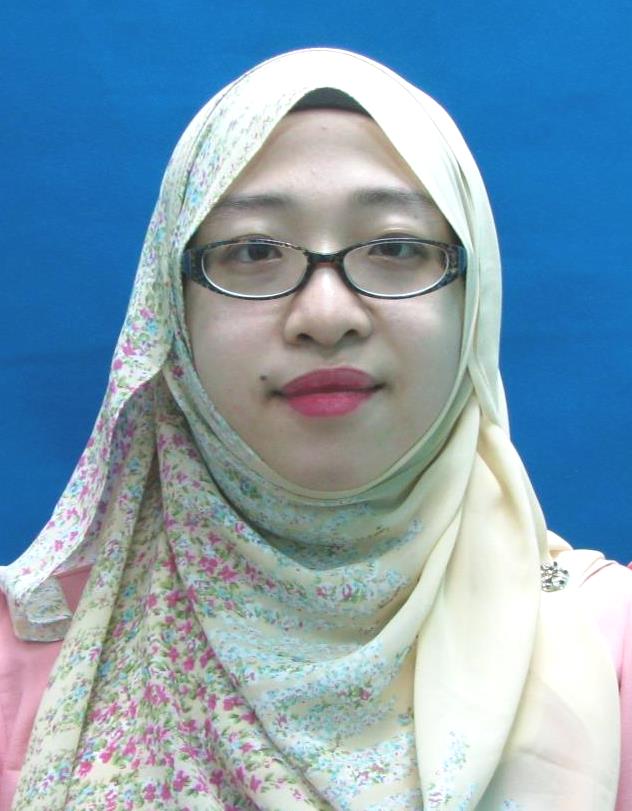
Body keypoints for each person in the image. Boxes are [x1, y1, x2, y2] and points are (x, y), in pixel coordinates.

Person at [0, 47, 630, 811]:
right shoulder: (29, 655)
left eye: (396, 247)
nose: (326, 316)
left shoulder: (610, 651)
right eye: (254, 251)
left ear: (473, 302)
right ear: (172, 312)